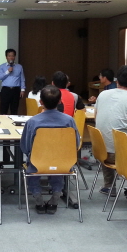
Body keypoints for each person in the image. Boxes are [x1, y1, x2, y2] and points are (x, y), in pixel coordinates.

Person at [20, 85, 80, 215]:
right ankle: (56, 196)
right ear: (60, 101)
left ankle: (38, 199)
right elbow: (76, 143)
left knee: (33, 163)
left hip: (38, 161)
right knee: (57, 163)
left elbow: (25, 146)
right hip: (62, 162)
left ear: (40, 102)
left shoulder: (32, 122)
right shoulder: (69, 121)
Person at [94, 65, 127, 196]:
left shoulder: (102, 95)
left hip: (100, 151)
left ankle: (108, 186)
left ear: (117, 80)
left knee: (108, 137)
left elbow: (96, 117)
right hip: (122, 156)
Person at [0, 48, 25, 115]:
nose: (11, 57)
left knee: (14, 110)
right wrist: (7, 71)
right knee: (3, 110)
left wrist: (22, 89)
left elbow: (22, 79)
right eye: (9, 56)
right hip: (6, 90)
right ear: (6, 57)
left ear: (15, 57)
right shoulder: (2, 66)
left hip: (16, 90)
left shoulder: (19, 67)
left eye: (12, 56)